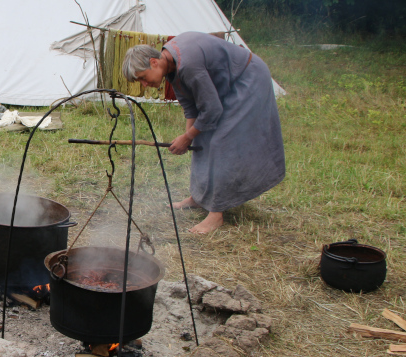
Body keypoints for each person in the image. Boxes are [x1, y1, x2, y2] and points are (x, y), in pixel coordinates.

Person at [122, 34, 285, 234]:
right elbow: (192, 109)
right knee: (200, 137)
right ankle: (199, 197)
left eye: (143, 78)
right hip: (228, 85)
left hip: (248, 79)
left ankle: (216, 213)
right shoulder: (172, 67)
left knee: (221, 140)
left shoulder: (187, 64)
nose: (144, 85)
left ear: (154, 62)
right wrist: (189, 137)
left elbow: (212, 110)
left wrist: (188, 137)